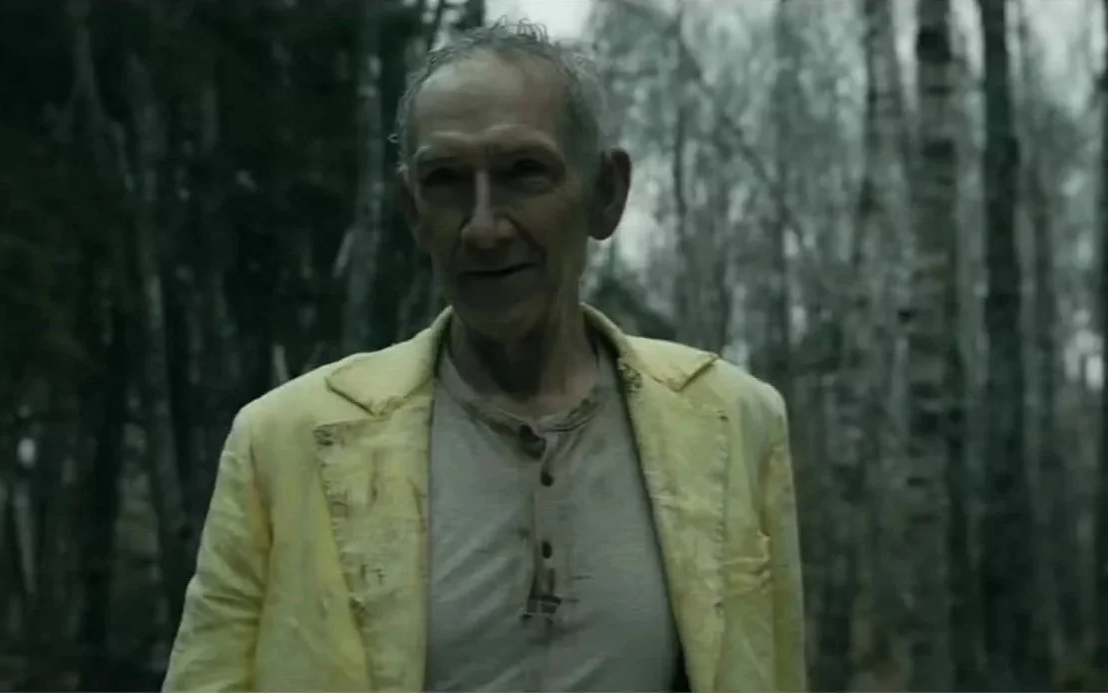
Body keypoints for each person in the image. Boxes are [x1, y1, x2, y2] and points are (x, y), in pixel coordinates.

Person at [162, 19, 806, 693]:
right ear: (413, 209)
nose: (484, 228)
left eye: (524, 172)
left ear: (606, 193)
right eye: (445, 180)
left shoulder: (732, 421)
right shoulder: (284, 441)